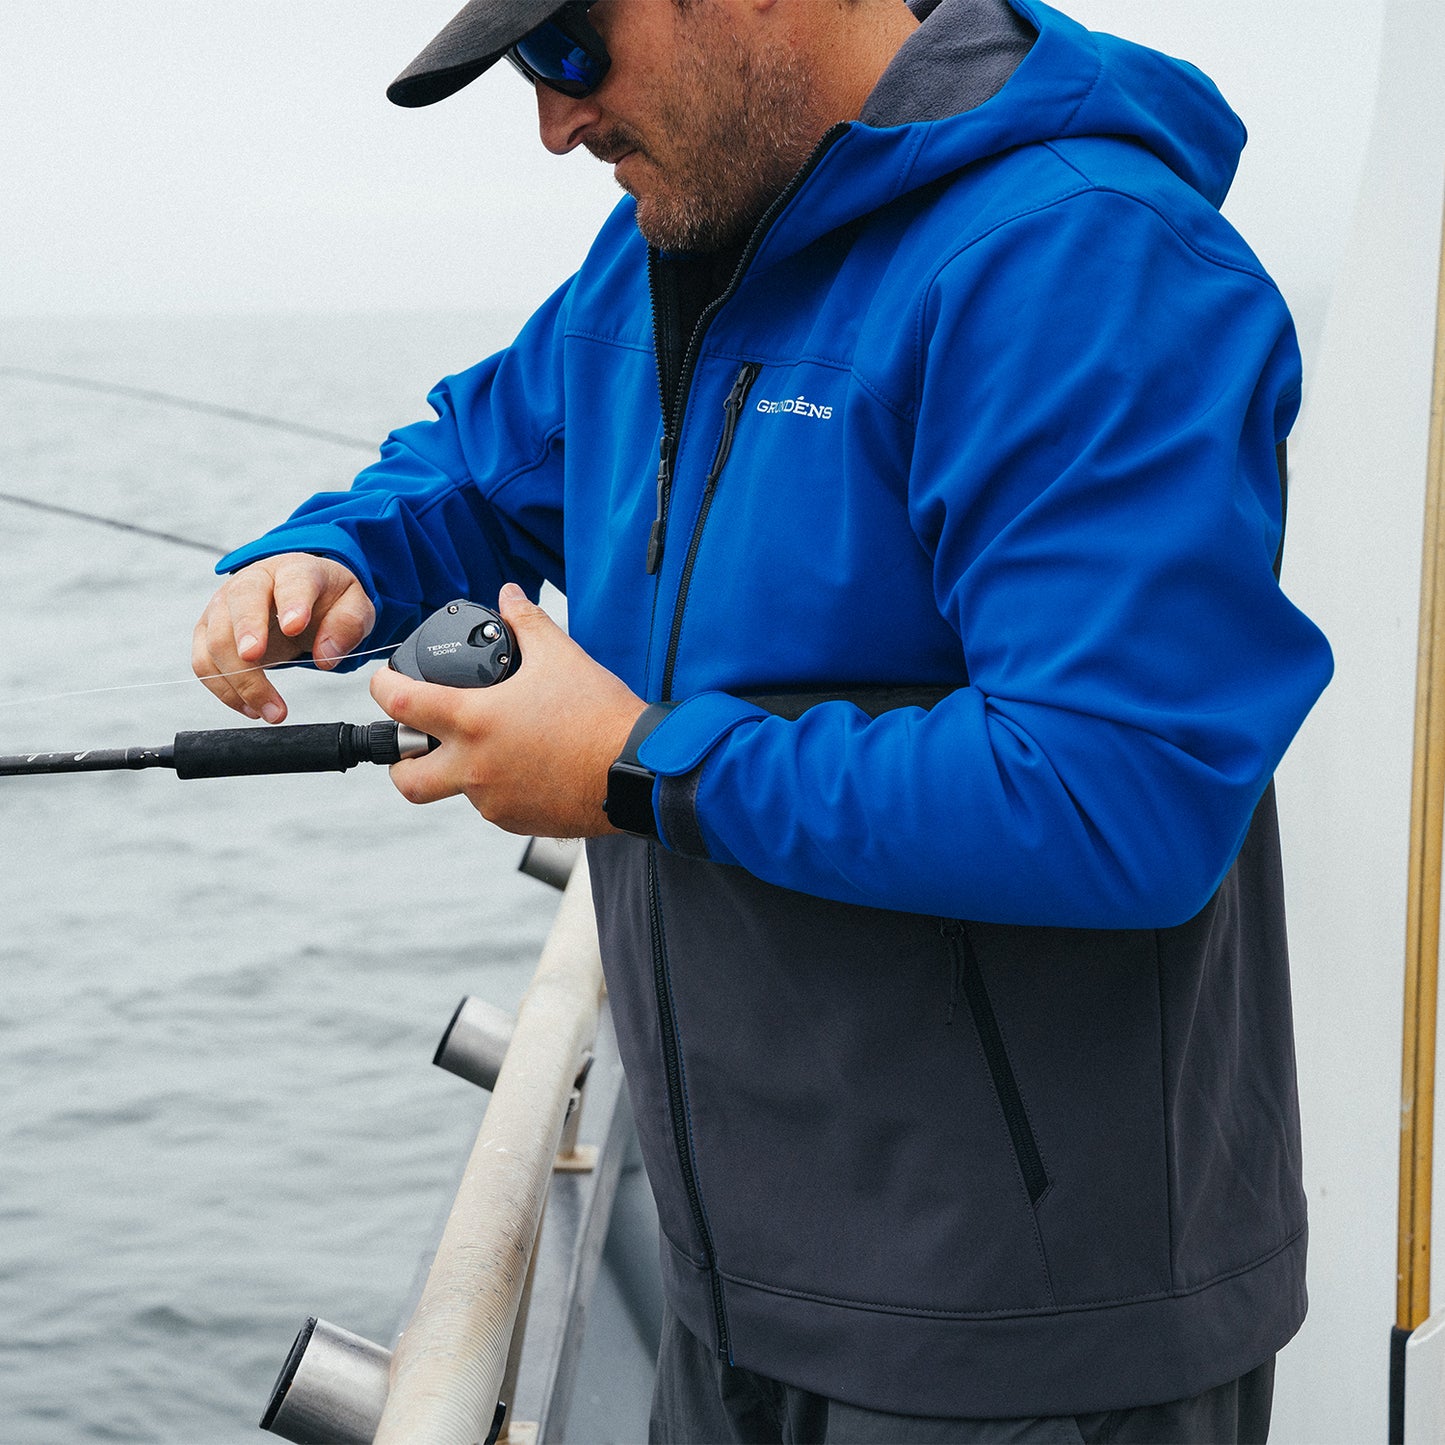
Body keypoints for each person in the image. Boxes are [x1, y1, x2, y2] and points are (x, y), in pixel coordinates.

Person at [192, 1, 1333, 1440]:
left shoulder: (1085, 257)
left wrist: (633, 768)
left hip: (1025, 1342)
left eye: (566, 47)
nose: (553, 121)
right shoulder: (666, 249)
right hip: (732, 1293)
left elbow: (1119, 791)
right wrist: (339, 552)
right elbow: (484, 464)